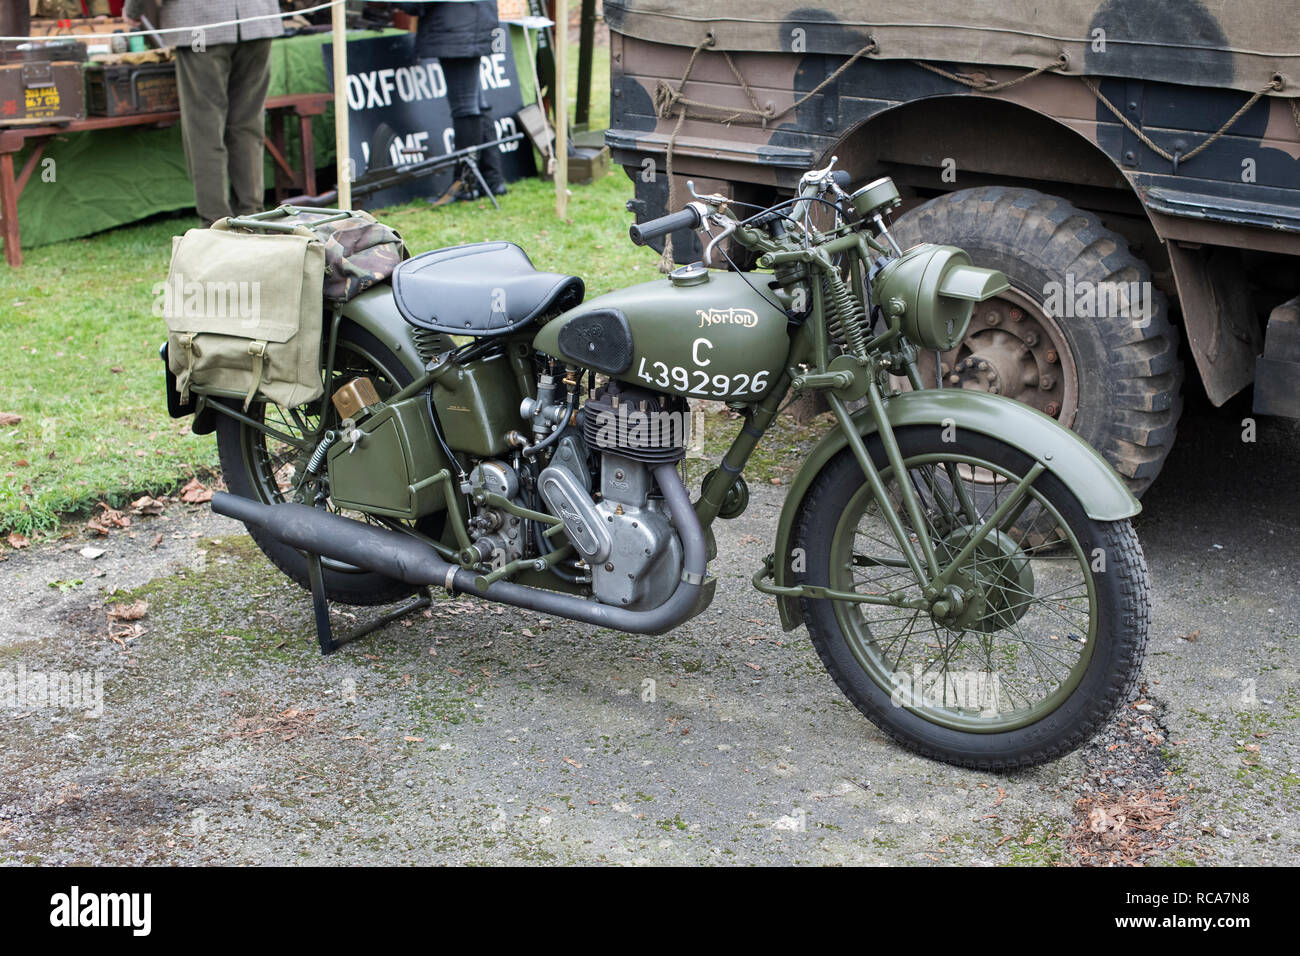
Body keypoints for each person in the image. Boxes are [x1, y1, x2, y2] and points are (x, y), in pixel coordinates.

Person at [123, 1, 284, 225]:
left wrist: (133, 11)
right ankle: (252, 218)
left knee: (205, 128)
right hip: (255, 20)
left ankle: (216, 224)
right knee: (247, 125)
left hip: (202, 24)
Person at [398, 0, 507, 199]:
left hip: (457, 27)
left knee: (466, 106)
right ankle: (492, 180)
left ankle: (464, 185)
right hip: (469, 22)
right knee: (476, 102)